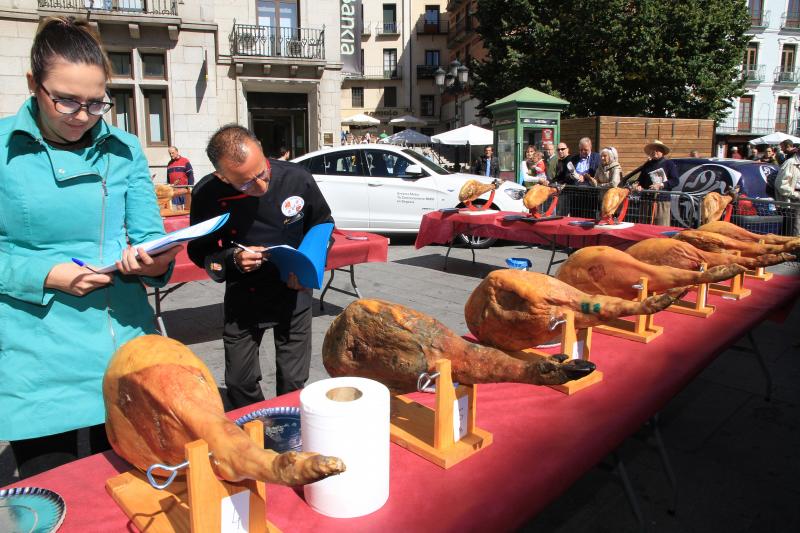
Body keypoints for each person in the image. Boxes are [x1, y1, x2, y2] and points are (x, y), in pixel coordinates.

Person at [0, 17, 178, 478]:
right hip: (34, 350)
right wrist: (45, 274)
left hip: (120, 339)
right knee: (53, 486)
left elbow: (149, 237)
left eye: (96, 103)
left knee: (128, 484)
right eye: (65, 101)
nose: (81, 116)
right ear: (32, 85)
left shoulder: (125, 148)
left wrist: (154, 260)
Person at [188, 125, 334, 408]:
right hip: (245, 295)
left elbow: (323, 225)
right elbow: (199, 251)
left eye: (262, 171)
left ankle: (290, 432)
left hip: (294, 290)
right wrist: (232, 258)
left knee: (293, 381)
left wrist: (311, 265)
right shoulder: (207, 193)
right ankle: (260, 427)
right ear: (222, 176)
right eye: (245, 183)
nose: (261, 185)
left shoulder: (297, 178)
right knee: (239, 382)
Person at [630, 139, 679, 225]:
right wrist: (639, 186)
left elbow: (675, 181)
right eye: (652, 150)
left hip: (662, 201)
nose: (654, 152)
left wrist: (661, 185)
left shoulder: (669, 164)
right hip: (646, 200)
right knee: (644, 226)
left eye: (657, 150)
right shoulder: (647, 165)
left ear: (662, 152)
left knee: (661, 227)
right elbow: (640, 180)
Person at [775, 151, 800, 235]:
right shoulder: (790, 163)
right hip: (794, 203)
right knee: (795, 231)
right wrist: (795, 195)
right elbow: (780, 184)